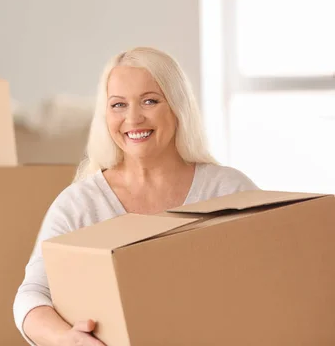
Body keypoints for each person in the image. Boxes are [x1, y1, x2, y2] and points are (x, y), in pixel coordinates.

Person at [13, 46, 259, 346]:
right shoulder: (80, 204)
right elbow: (31, 294)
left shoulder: (230, 191)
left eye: (150, 101)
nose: (133, 118)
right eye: (118, 105)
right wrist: (67, 338)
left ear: (178, 107)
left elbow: (272, 278)